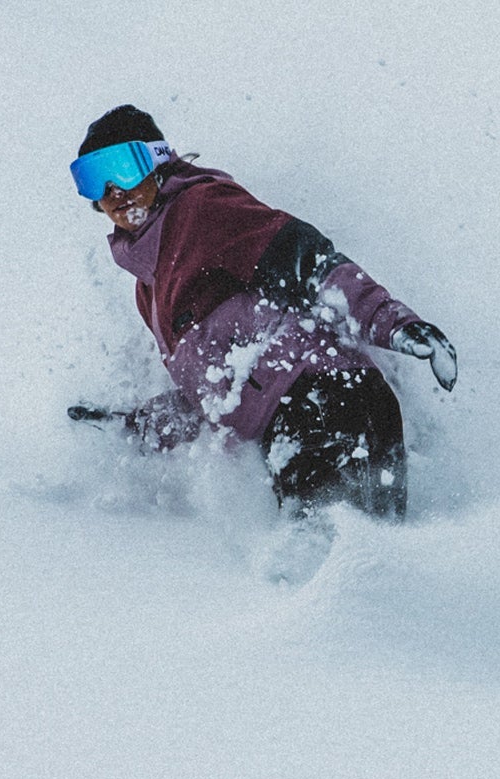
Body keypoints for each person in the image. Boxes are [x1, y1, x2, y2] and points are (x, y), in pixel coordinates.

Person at [68, 105, 453, 518]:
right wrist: (137, 427)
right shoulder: (150, 290)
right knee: (338, 565)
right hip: (290, 424)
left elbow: (310, 263)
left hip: (329, 400)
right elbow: (213, 393)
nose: (112, 190)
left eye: (122, 167)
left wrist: (393, 323)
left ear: (158, 160)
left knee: (338, 562)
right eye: (92, 179)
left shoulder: (202, 207)